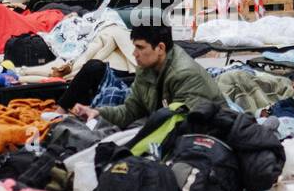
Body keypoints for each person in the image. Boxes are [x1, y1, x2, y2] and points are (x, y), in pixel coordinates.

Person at [71, 23, 222, 128]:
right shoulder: (147, 68)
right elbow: (130, 111)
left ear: (160, 48)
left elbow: (184, 124)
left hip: (208, 137)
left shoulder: (185, 75)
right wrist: (97, 112)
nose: (134, 54)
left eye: (140, 47)